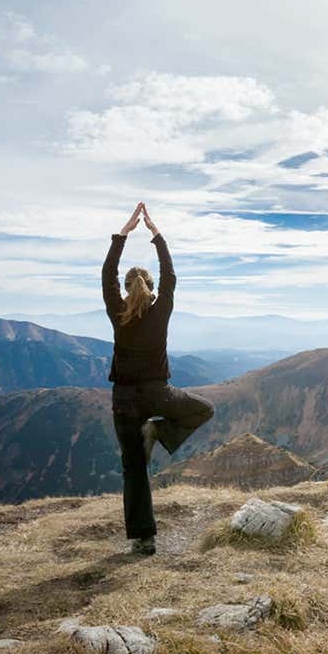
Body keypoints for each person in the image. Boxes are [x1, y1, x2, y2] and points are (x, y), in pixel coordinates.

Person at [103, 202, 215, 555]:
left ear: (124, 288)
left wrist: (123, 234)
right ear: (151, 288)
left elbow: (106, 272)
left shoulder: (116, 309)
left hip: (123, 401)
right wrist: (156, 233)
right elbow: (171, 274)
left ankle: (144, 539)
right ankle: (158, 430)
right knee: (204, 410)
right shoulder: (161, 308)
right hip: (157, 396)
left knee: (134, 468)